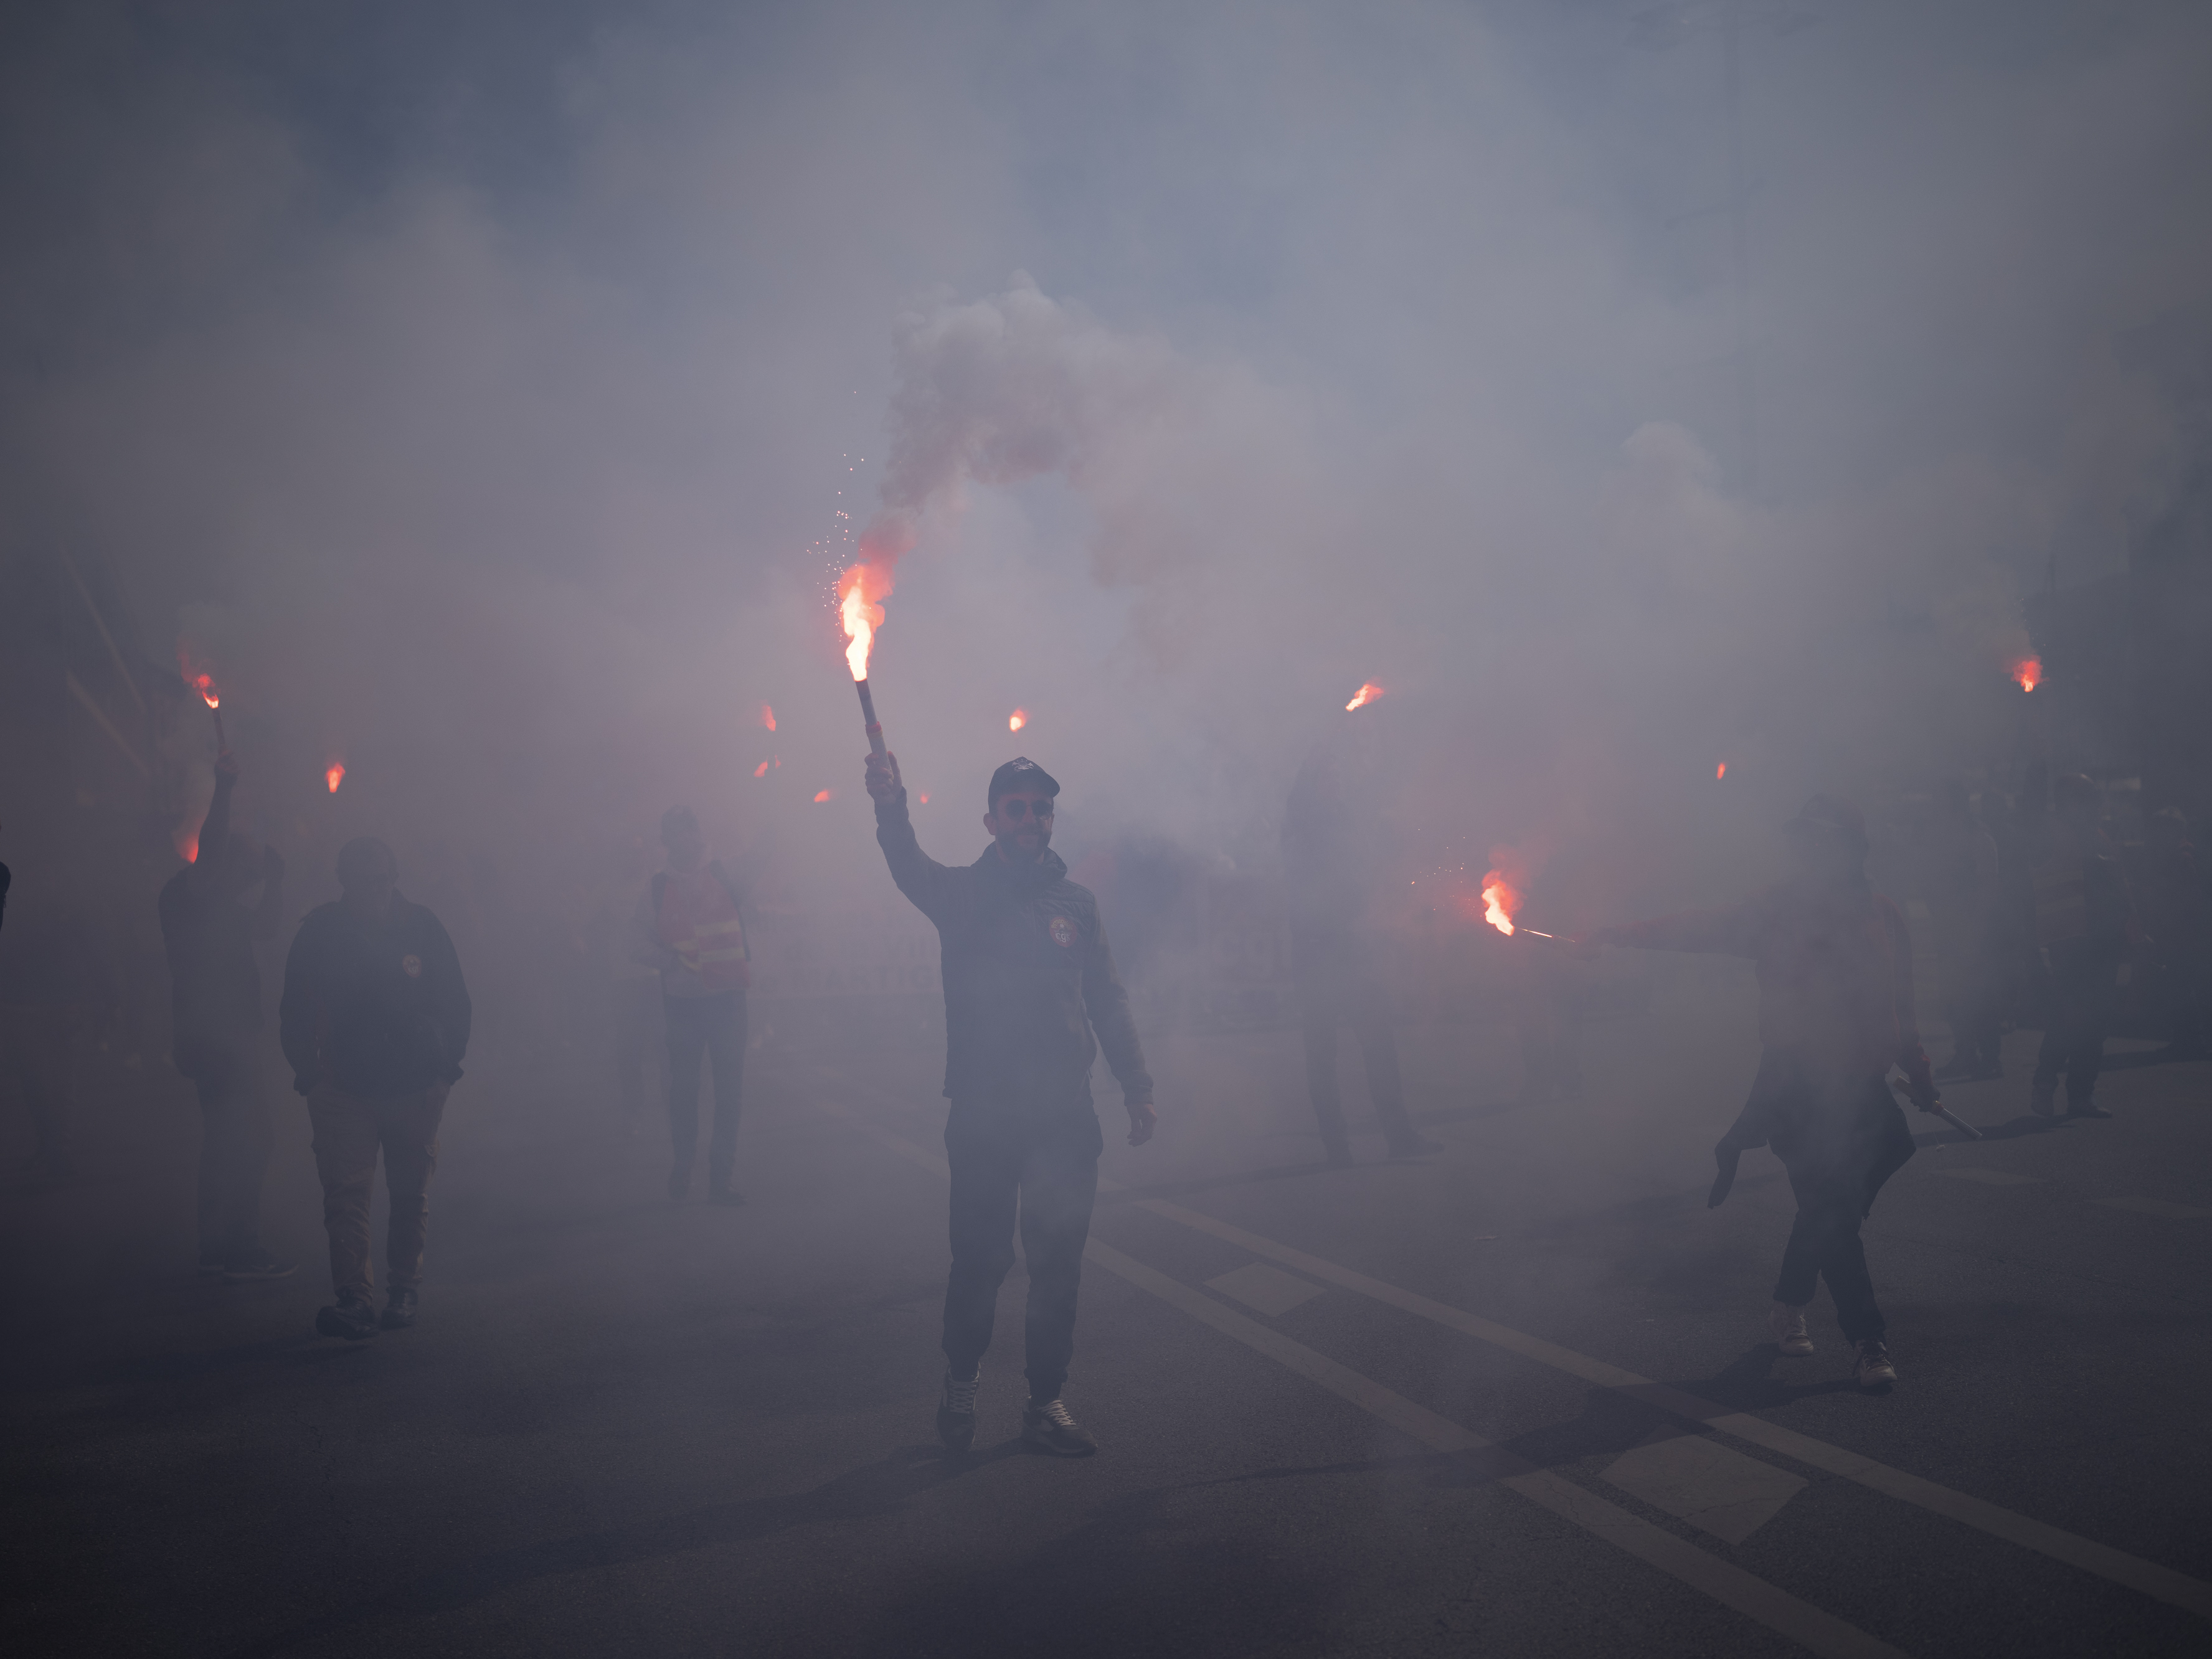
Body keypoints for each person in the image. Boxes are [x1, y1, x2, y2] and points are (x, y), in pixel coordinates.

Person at [1583, 795, 1942, 1392]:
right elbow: (1694, 928)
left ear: (1852, 852)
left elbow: (1900, 1006)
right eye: (1804, 843)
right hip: (1794, 1086)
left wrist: (1921, 1075)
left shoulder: (1883, 914)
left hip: (1862, 1090)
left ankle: (1787, 1300)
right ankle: (1867, 1340)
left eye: (1822, 843)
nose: (1809, 854)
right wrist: (1611, 936)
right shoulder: (1777, 911)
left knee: (1844, 1200)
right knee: (1834, 1215)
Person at [865, 750, 1156, 1457]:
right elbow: (905, 862)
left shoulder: (1076, 904)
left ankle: (1044, 1401)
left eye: (1042, 808)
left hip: (1064, 1117)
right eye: (1018, 807)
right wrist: (889, 803)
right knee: (982, 1260)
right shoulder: (961, 893)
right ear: (992, 820)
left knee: (1058, 1264)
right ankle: (961, 1383)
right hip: (986, 1118)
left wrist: (1137, 1085)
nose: (1032, 819)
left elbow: (1107, 1001)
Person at [280, 836, 471, 1340]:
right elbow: (294, 1005)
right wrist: (309, 1075)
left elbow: (455, 1001)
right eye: (367, 874)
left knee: (410, 1193)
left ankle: (404, 1289)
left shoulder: (422, 927)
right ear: (345, 880)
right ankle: (355, 1301)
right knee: (346, 1196)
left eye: (385, 872)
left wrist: (444, 1073)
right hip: (343, 1089)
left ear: (396, 875)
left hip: (413, 1087)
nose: (379, 882)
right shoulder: (320, 931)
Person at [156, 749, 292, 1280]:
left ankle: (224, 1242)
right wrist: (225, 788)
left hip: (224, 1034)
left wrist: (275, 884)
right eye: (250, 870)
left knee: (239, 1136)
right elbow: (211, 852)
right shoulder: (191, 894)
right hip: (213, 1037)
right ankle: (234, 1244)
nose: (250, 879)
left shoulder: (223, 906)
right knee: (242, 1137)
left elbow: (263, 930)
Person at [1280, 745, 1440, 1164]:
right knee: (1323, 1055)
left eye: (1338, 777)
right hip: (1317, 954)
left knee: (1379, 1045)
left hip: (1350, 951)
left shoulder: (1340, 820)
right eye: (1329, 778)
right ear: (1313, 784)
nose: (1337, 784)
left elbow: (1363, 866)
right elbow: (1313, 888)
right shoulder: (1302, 825)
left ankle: (1399, 1136)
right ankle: (1337, 1146)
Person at [629, 806, 749, 1203]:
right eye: (680, 834)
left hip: (729, 1001)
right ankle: (683, 1166)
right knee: (684, 1091)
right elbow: (637, 942)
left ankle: (721, 1178)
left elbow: (749, 918)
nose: (689, 840)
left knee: (729, 1093)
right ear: (669, 842)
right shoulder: (657, 889)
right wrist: (672, 963)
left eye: (692, 832)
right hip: (685, 1004)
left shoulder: (723, 873)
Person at [2028, 774, 2135, 1119]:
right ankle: (2053, 1085)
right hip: (2077, 939)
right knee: (2073, 1018)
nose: (2095, 806)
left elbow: (2117, 890)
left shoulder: (2089, 836)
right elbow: (2103, 884)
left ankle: (2077, 1094)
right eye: (2089, 799)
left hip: (2091, 940)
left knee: (2089, 1020)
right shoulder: (2063, 836)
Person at [1922, 780, 2004, 1079]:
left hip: (1973, 929)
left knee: (1980, 994)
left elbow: (1989, 886)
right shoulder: (1943, 839)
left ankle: (1991, 1057)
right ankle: (1966, 1052)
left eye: (1940, 803)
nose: (1935, 810)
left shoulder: (1979, 837)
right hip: (1948, 926)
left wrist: (1979, 929)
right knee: (1955, 993)